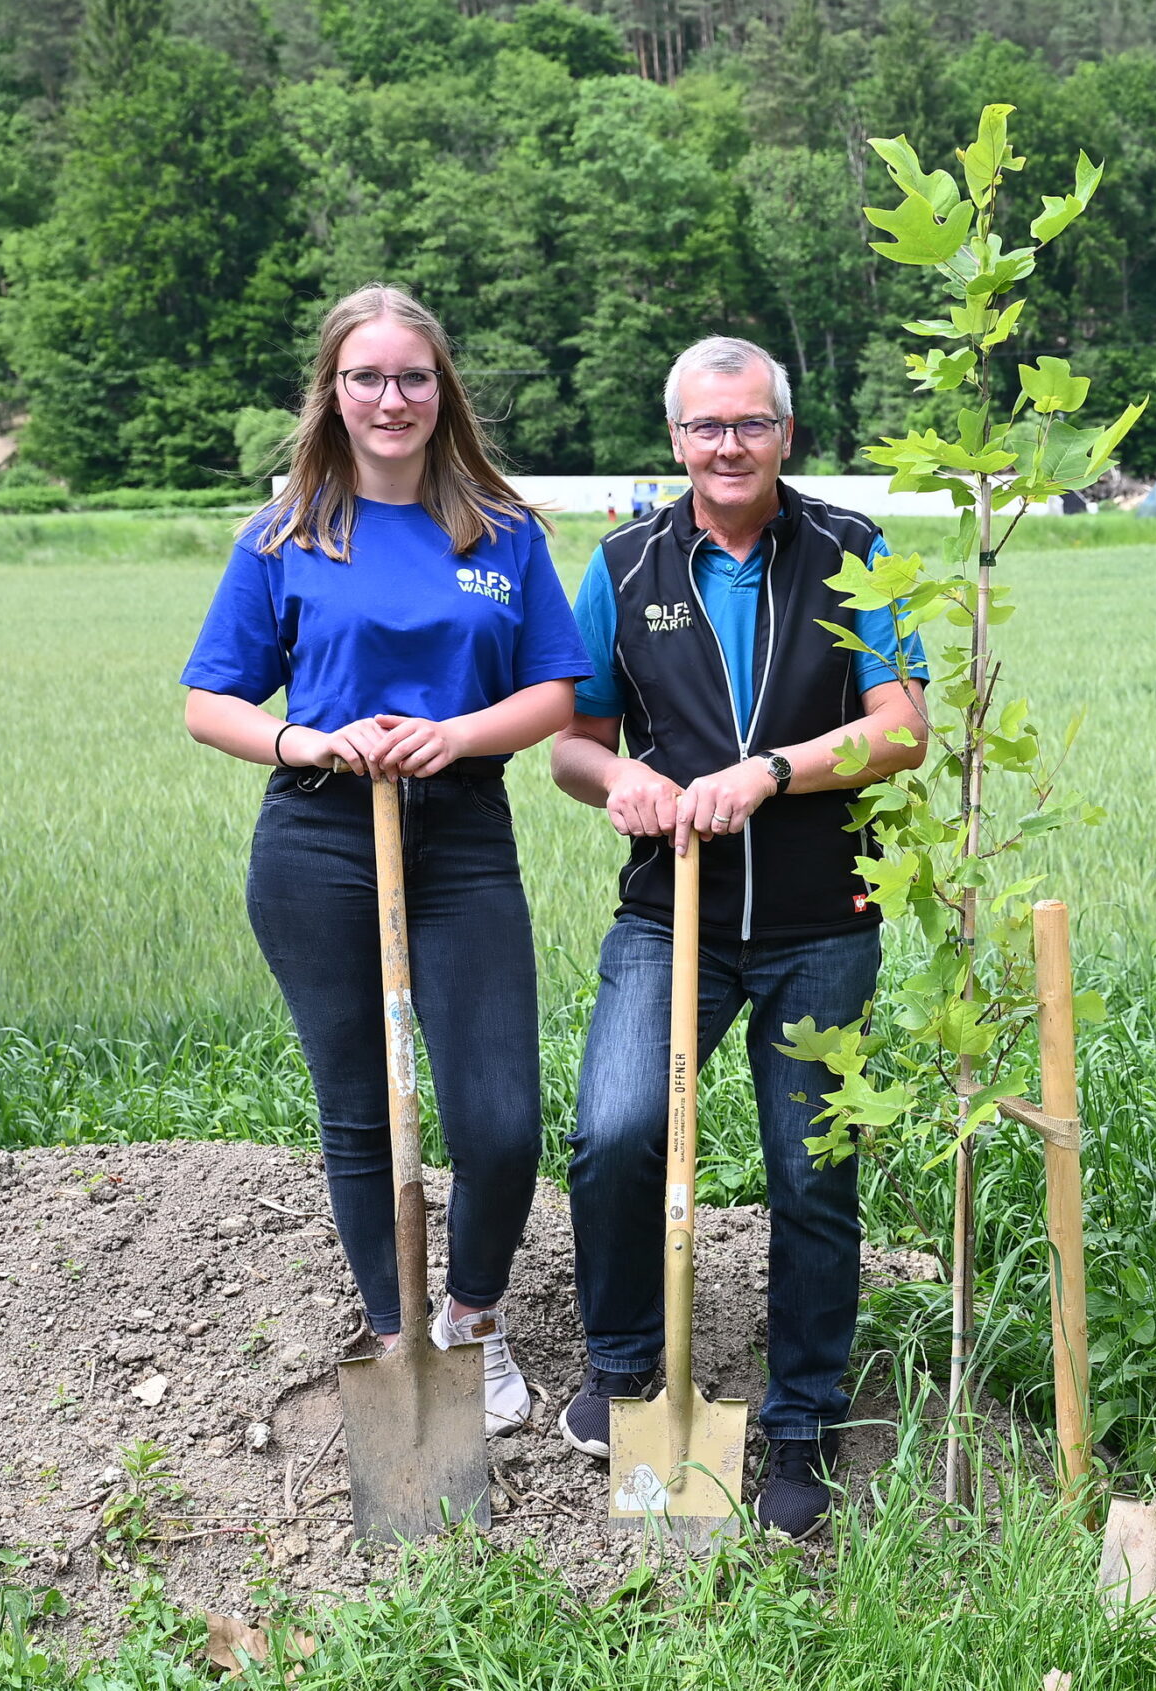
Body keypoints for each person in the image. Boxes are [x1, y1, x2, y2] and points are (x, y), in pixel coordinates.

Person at [180, 283, 589, 1434]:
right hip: (319, 834)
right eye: (367, 377)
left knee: (498, 1114)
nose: (392, 397)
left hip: (460, 836)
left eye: (413, 376)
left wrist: (455, 733)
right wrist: (309, 736)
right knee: (361, 1108)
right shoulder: (285, 535)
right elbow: (209, 699)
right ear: (334, 393)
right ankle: (399, 1335)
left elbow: (556, 690)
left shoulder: (501, 531)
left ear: (441, 389)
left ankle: (471, 1316)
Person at [550, 334, 927, 1540]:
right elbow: (571, 739)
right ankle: (621, 1376)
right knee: (614, 1129)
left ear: (785, 434)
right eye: (707, 426)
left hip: (825, 924)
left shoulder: (854, 554)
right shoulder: (621, 561)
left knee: (809, 1177)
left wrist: (770, 771)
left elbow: (902, 728)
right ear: (677, 439)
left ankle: (803, 1418)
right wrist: (621, 783)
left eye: (750, 423)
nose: (728, 444)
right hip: (673, 916)